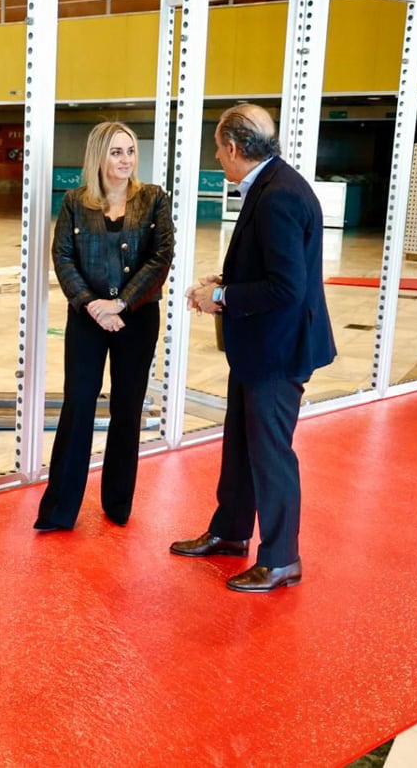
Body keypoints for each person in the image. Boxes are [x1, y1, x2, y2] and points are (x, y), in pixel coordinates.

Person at [171, 104, 337, 592]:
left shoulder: (278, 196)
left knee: (270, 453)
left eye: (218, 149)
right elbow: (274, 270)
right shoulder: (273, 184)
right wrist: (229, 281)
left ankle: (282, 558)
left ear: (233, 147)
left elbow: (287, 287)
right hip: (259, 345)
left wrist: (221, 297)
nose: (218, 159)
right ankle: (229, 531)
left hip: (277, 351)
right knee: (241, 444)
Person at [35, 121, 175, 532]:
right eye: (116, 152)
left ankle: (117, 503)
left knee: (126, 409)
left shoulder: (153, 200)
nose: (125, 160)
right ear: (98, 156)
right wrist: (93, 305)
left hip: (137, 316)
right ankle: (60, 510)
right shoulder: (76, 202)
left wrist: (121, 302)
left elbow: (161, 256)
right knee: (78, 405)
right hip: (87, 318)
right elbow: (63, 257)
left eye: (130, 151)